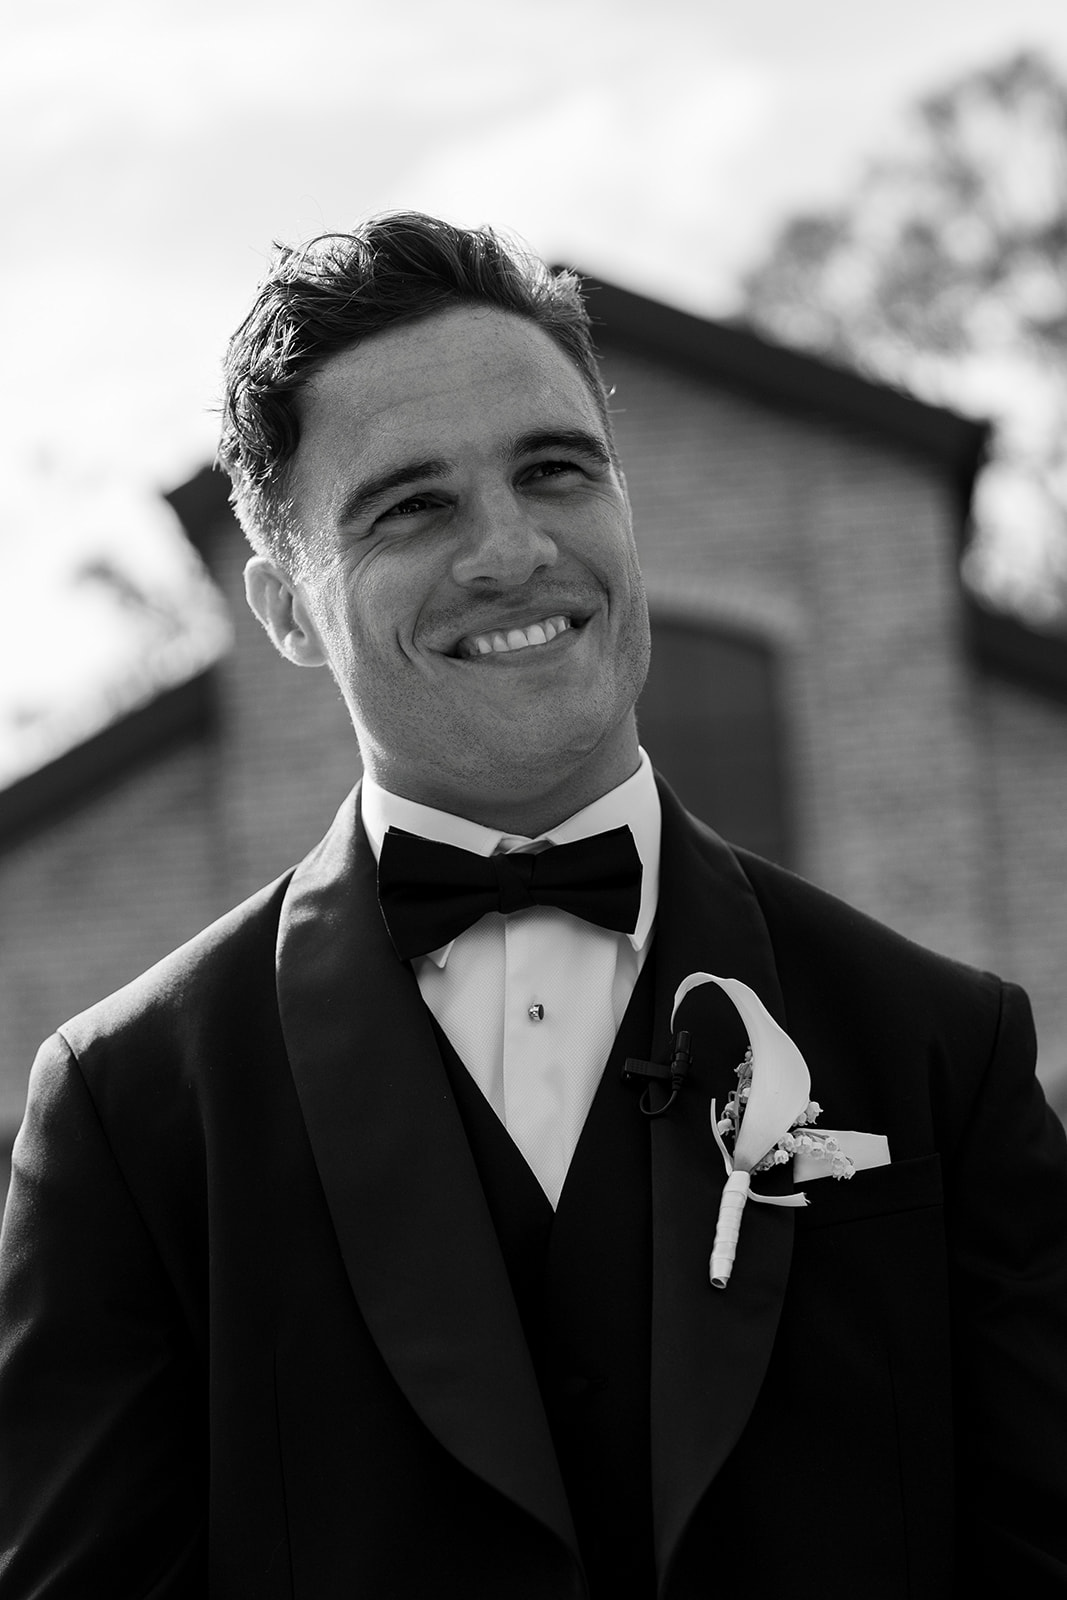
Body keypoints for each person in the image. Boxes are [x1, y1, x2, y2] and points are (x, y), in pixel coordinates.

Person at [1, 212, 1065, 1600]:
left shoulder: (942, 1050)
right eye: (412, 507)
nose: (510, 551)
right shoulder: (130, 1111)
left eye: (555, 470)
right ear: (286, 612)